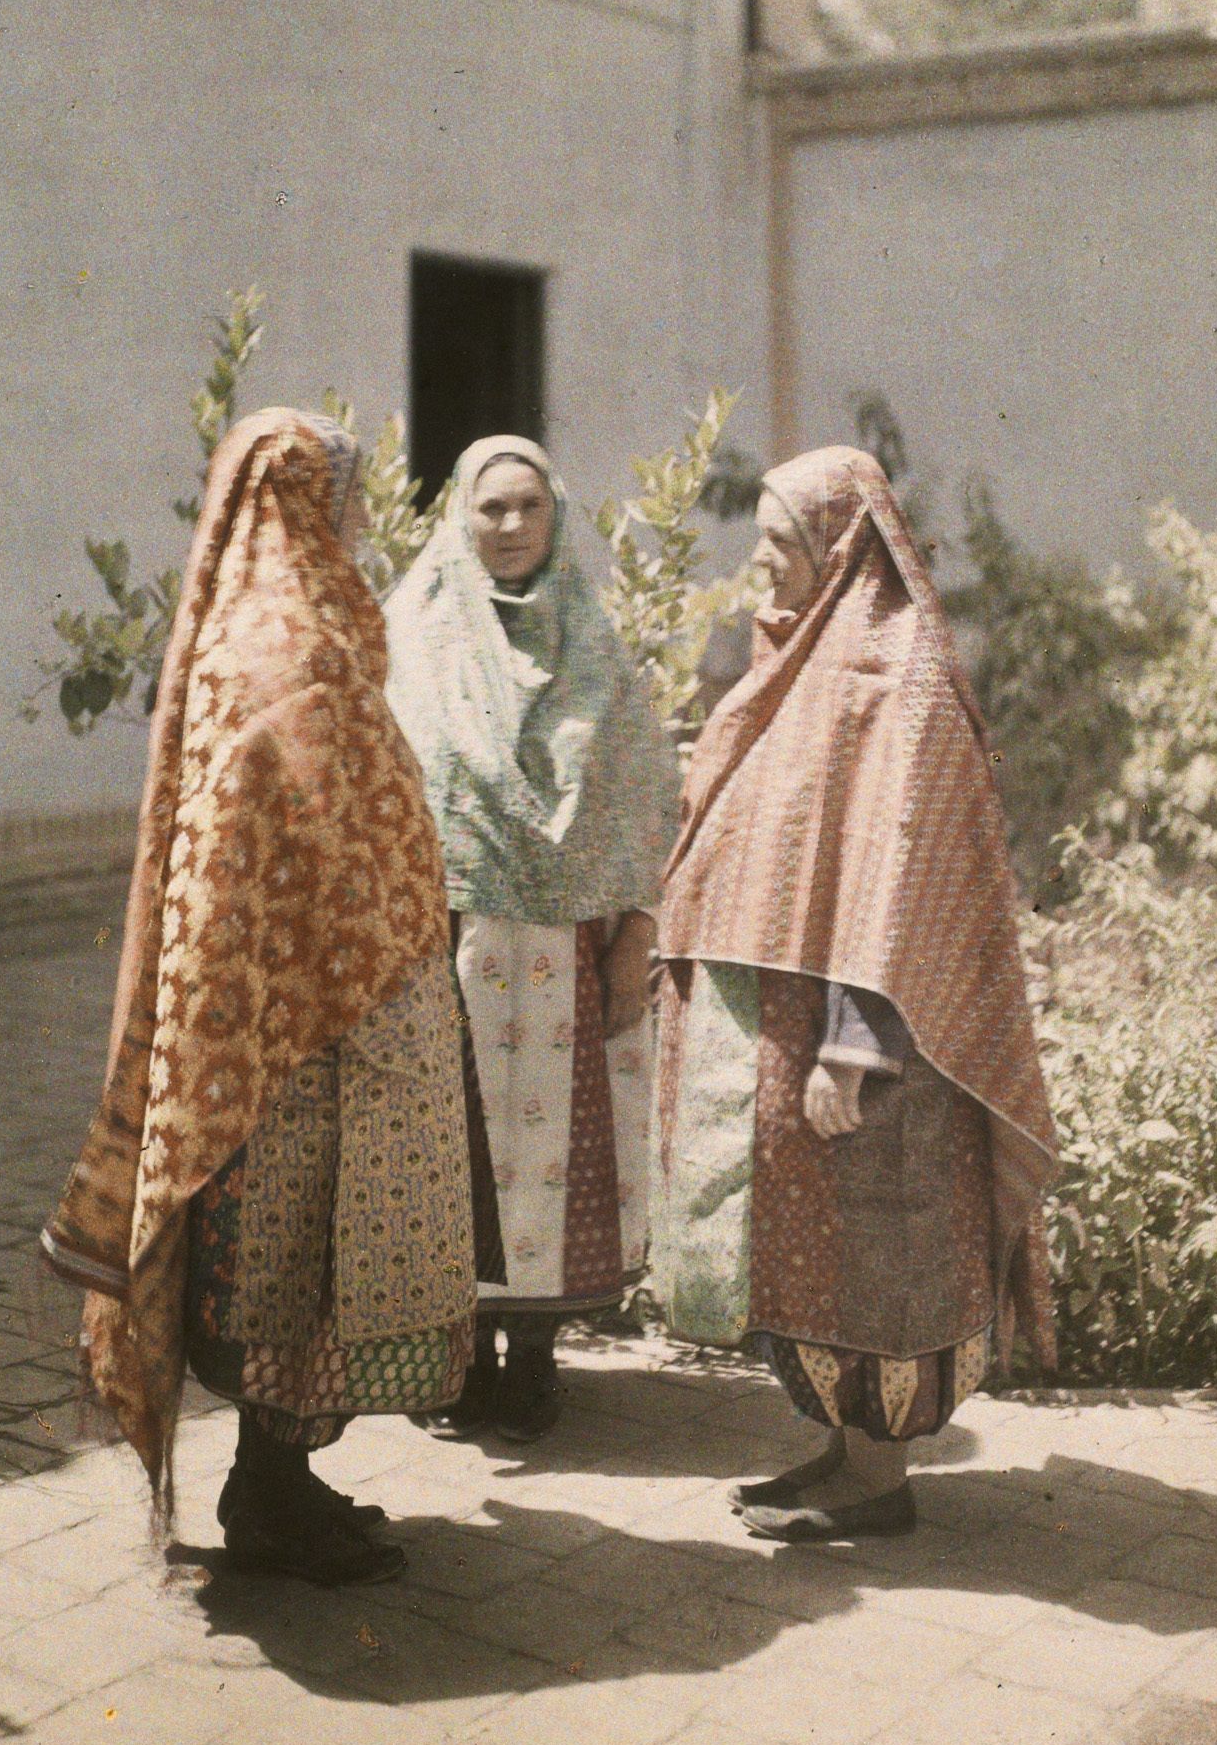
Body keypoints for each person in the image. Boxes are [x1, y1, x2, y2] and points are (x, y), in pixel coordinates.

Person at [41, 407, 476, 1586]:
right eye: (343, 497)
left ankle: (275, 1477)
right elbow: (340, 846)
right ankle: (267, 1493)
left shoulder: (245, 634)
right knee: (297, 1274)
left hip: (261, 1028)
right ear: (306, 503)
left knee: (277, 1273)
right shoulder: (298, 649)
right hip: (309, 1034)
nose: (354, 520)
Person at [651, 444, 1057, 1541]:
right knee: (815, 1259)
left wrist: (849, 1042)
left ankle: (876, 1484)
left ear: (838, 547)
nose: (763, 573)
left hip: (873, 1051)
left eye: (780, 547)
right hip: (807, 1036)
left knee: (873, 1254)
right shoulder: (801, 659)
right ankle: (841, 1451)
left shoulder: (899, 674)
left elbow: (898, 880)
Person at [385, 435, 680, 1440]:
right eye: (489, 509)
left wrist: (637, 926)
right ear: (459, 518)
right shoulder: (415, 638)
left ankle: (535, 1358)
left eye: (526, 508)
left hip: (565, 953)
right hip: (454, 945)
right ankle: (456, 1352)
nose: (508, 527)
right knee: (459, 1148)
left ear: (554, 516)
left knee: (555, 1156)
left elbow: (642, 796)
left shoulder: (593, 643)